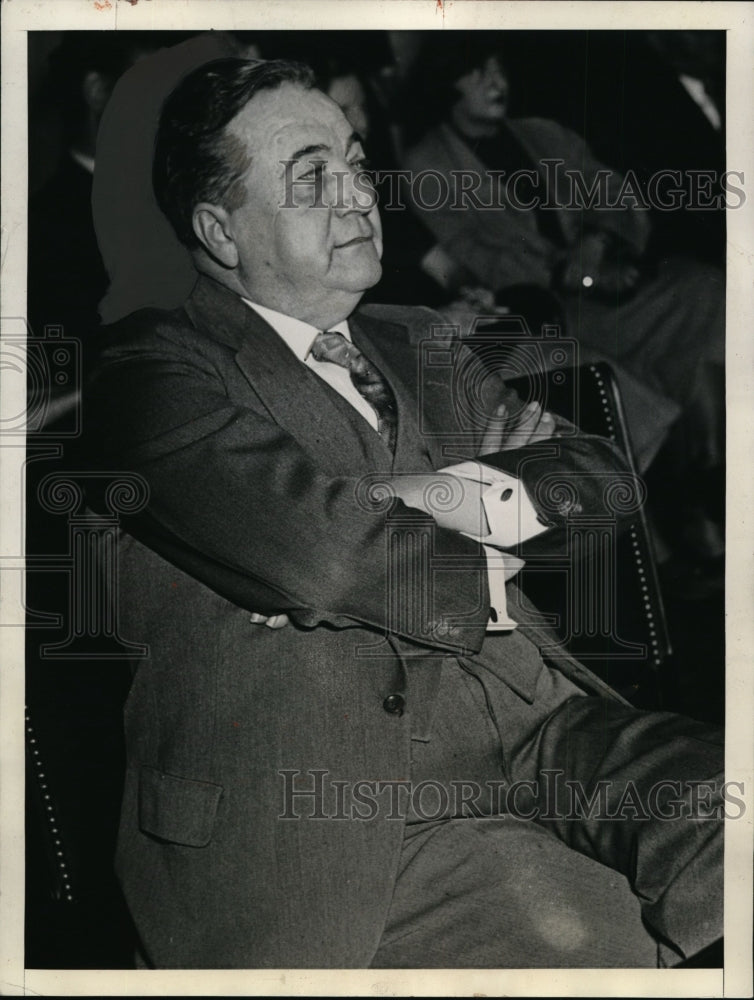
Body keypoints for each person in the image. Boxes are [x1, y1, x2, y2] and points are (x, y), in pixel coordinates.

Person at [84, 55, 723, 969]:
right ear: (220, 230)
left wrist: (399, 503)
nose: (358, 195)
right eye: (313, 177)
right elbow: (328, 555)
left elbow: (602, 481)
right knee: (602, 942)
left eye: (355, 160)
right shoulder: (149, 374)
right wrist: (487, 488)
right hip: (336, 814)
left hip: (542, 733)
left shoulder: (412, 335)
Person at [401, 37, 725, 558]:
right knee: (627, 381)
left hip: (605, 295)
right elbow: (470, 262)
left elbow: (618, 195)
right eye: (477, 72)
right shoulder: (427, 165)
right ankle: (676, 516)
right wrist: (558, 269)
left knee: (706, 290)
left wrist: (596, 240)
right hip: (541, 313)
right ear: (445, 84)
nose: (496, 81)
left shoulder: (541, 134)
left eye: (498, 66)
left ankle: (707, 479)